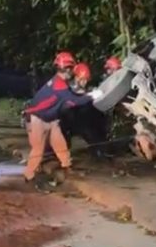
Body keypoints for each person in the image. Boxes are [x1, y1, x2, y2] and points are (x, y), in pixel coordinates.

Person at [22, 51, 100, 182]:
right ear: (67, 69)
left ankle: (67, 167)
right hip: (37, 119)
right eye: (71, 69)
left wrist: (88, 94)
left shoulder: (59, 82)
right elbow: (73, 101)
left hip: (50, 118)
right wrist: (92, 96)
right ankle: (28, 175)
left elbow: (71, 96)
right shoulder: (59, 86)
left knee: (60, 144)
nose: (72, 72)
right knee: (38, 149)